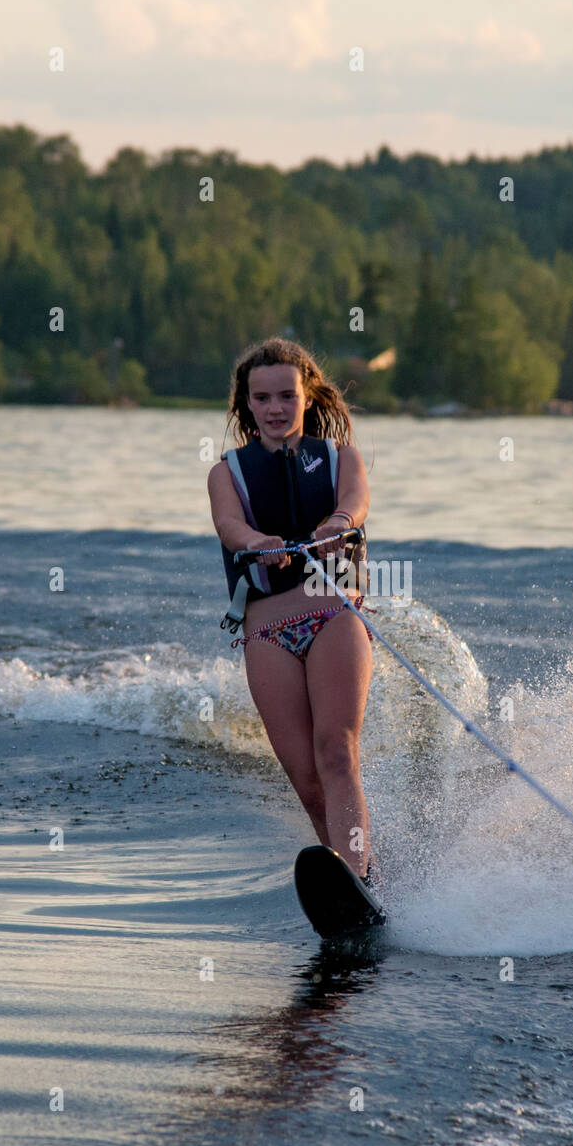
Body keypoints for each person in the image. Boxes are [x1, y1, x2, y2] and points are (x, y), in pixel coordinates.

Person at [208, 337, 378, 883]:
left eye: (286, 395)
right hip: (267, 632)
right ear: (246, 404)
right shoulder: (225, 474)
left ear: (307, 397)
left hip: (334, 618)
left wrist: (336, 524)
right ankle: (354, 887)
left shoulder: (340, 458)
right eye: (262, 398)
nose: (275, 407)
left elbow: (356, 501)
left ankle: (356, 872)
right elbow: (230, 527)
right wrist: (257, 542)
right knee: (306, 780)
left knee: (336, 754)